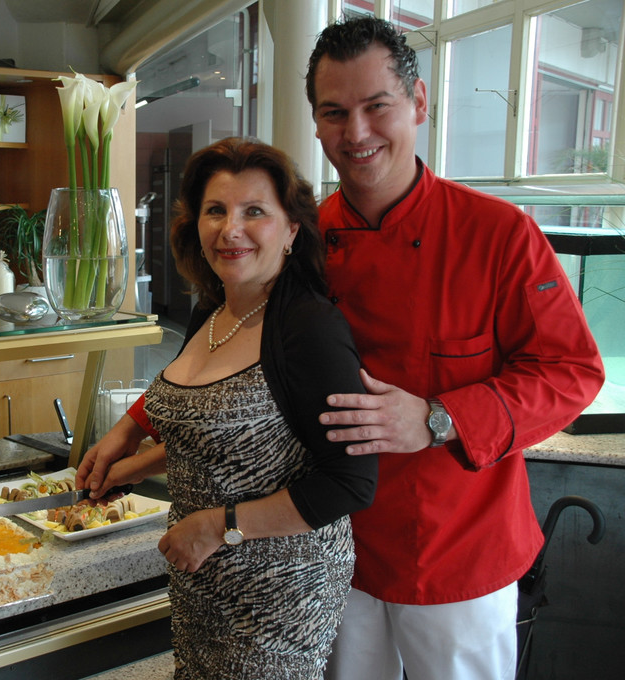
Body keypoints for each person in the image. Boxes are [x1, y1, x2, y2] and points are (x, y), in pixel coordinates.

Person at [303, 16, 605, 680]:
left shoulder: (500, 234)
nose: (356, 132)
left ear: (418, 102)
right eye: (335, 113)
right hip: (335, 541)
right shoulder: (301, 243)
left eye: (376, 106)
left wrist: (438, 418)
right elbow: (239, 348)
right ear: (317, 124)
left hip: (460, 550)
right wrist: (144, 424)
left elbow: (571, 371)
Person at [76, 137, 377, 678]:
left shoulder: (309, 328)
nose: (230, 229)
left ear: (291, 229)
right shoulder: (213, 311)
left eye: (254, 211)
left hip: (279, 592)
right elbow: (226, 433)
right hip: (201, 578)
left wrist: (219, 526)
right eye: (216, 210)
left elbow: (351, 482)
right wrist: (132, 450)